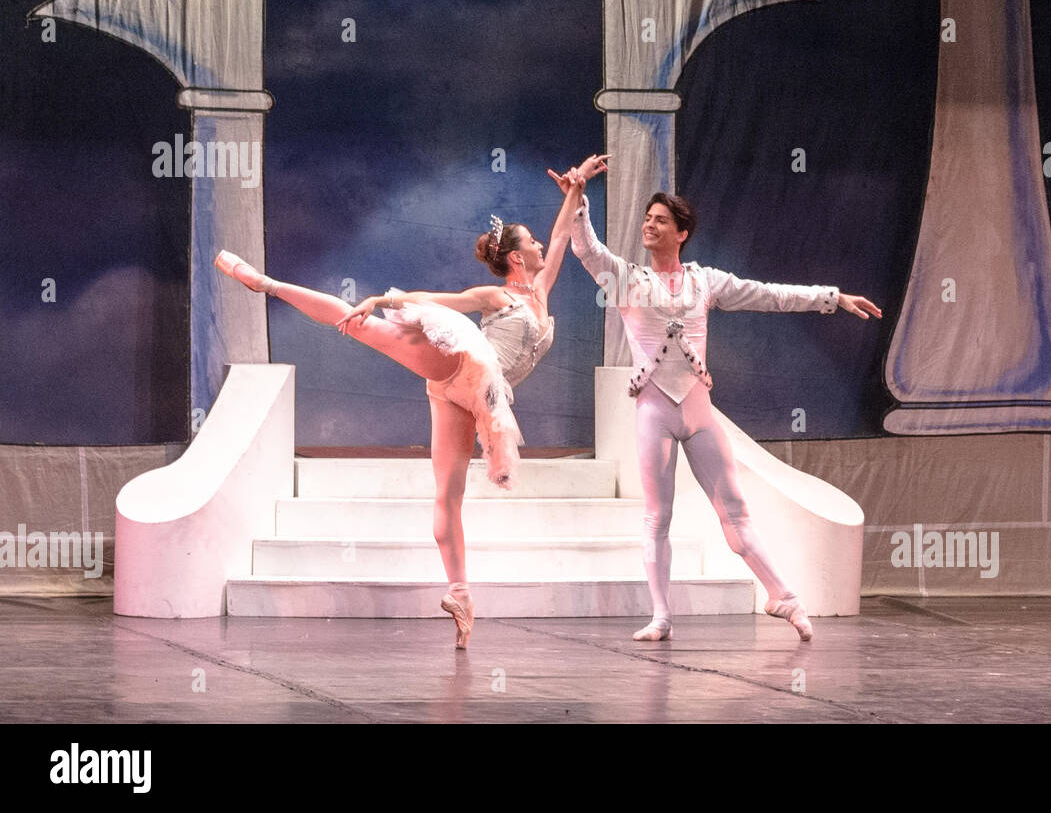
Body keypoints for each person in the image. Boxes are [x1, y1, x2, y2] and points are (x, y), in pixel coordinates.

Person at [213, 154, 607, 648]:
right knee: (364, 326)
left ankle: (460, 596)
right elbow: (437, 298)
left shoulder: (541, 290)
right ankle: (266, 283)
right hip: (461, 364)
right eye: (531, 241)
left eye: (535, 239)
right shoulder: (496, 295)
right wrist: (383, 299)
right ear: (515, 258)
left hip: (473, 400)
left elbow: (563, 237)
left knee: (448, 494)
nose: (539, 245)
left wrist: (576, 189)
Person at [553, 160, 881, 642]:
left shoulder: (706, 282)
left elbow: (770, 295)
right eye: (647, 217)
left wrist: (831, 297)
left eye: (660, 219)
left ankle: (781, 596)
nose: (649, 224)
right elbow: (586, 248)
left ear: (681, 232)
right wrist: (577, 196)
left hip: (698, 411)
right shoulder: (626, 279)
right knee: (657, 516)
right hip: (655, 412)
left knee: (735, 510)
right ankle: (661, 615)